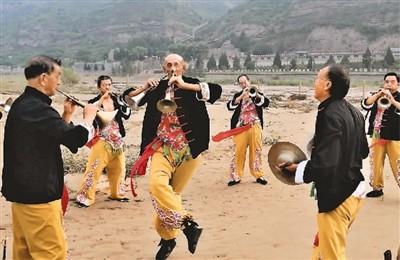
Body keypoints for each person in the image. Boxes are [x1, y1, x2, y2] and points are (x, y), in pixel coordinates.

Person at [1, 55, 97, 259]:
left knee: (25, 253)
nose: (60, 81)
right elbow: (75, 139)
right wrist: (89, 118)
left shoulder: (25, 104)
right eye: (58, 75)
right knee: (51, 253)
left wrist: (67, 115)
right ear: (44, 79)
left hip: (24, 196)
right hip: (38, 197)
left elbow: (53, 137)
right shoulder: (37, 108)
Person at [128, 53, 222, 260]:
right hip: (163, 148)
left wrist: (186, 86)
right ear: (164, 68)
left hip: (190, 151)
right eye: (169, 65)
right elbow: (129, 102)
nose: (172, 67)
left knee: (171, 199)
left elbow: (217, 91)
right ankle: (189, 226)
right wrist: (144, 87)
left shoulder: (192, 84)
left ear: (183, 68)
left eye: (176, 64)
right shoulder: (156, 89)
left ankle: (168, 239)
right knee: (157, 187)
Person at [281, 64, 369, 259]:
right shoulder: (354, 111)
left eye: (317, 78)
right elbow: (362, 151)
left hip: (338, 196)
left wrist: (297, 169)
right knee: (322, 249)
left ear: (328, 84)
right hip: (356, 190)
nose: (315, 82)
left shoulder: (329, 113)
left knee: (332, 255)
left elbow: (325, 163)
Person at [75, 75, 135, 207]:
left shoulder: (116, 100)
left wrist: (123, 103)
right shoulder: (93, 101)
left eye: (109, 85)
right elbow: (88, 115)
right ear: (98, 87)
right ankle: (85, 196)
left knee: (119, 169)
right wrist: (102, 98)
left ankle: (116, 193)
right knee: (94, 169)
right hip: (101, 140)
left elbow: (127, 115)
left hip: (117, 140)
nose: (107, 87)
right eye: (104, 85)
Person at [226, 74, 270, 186]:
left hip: (255, 125)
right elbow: (230, 106)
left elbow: (266, 103)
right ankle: (235, 177)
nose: (243, 84)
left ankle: (258, 175)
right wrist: (241, 97)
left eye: (245, 82)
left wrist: (254, 96)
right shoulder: (238, 95)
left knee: (256, 151)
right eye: (241, 83)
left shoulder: (256, 93)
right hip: (240, 127)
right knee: (238, 152)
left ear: (249, 81)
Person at [361, 72, 400, 197]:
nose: (389, 84)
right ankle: (377, 188)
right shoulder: (377, 95)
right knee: (375, 162)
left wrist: (392, 100)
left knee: (398, 164)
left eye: (392, 81)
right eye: (387, 81)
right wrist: (379, 94)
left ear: (398, 84)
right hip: (377, 135)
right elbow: (365, 104)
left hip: (396, 136)